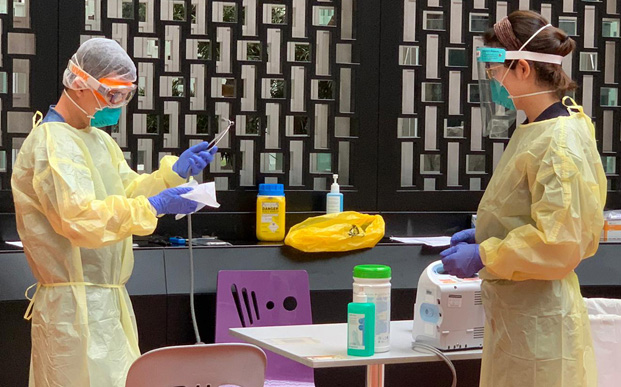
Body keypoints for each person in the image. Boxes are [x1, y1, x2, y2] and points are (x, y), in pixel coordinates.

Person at [11, 38, 219, 387]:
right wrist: (155, 206)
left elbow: (127, 191)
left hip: (109, 306)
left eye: (125, 95)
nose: (118, 105)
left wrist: (171, 176)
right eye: (112, 93)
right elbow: (79, 219)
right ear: (79, 82)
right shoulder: (52, 142)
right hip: (72, 312)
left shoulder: (99, 141)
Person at [440, 11, 605, 387]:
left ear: (524, 70)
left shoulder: (560, 141)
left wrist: (486, 254)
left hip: (541, 326)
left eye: (496, 69)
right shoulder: (535, 128)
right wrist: (488, 235)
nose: (492, 80)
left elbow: (560, 241)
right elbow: (527, 214)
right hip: (518, 319)